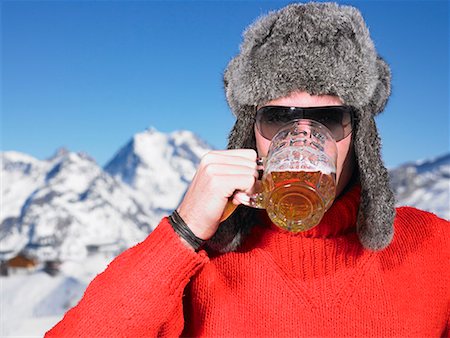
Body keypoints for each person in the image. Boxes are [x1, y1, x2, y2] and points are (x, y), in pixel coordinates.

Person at [46, 2, 449, 337]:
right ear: (250, 133)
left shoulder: (433, 247)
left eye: (328, 118)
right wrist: (183, 233)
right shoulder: (197, 264)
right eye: (278, 117)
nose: (302, 140)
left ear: (359, 133)